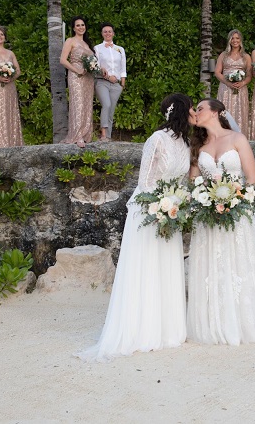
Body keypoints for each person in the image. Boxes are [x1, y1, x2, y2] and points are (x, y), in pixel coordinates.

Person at [76, 93, 196, 362]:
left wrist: (177, 204)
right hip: (149, 211)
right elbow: (144, 181)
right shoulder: (157, 139)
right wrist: (161, 206)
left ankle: (167, 329)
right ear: (181, 111)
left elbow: (183, 181)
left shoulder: (186, 143)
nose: (194, 112)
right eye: (191, 108)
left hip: (172, 213)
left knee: (166, 268)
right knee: (147, 267)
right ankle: (141, 330)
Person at [187, 98, 255, 345]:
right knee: (211, 265)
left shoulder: (237, 139)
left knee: (237, 263)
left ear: (215, 112)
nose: (196, 112)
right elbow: (193, 180)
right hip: (208, 214)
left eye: (201, 108)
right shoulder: (198, 146)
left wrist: (233, 197)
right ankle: (213, 322)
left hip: (236, 213)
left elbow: (252, 178)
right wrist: (207, 197)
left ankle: (243, 322)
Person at [60, 15, 96, 147]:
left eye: (83, 25)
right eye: (78, 25)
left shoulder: (87, 44)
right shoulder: (70, 41)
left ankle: (86, 134)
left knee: (87, 104)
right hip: (76, 76)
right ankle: (77, 135)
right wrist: (76, 70)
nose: (81, 27)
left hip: (88, 77)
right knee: (78, 104)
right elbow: (63, 60)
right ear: (74, 28)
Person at [214, 29, 252, 137]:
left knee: (241, 115)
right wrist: (228, 83)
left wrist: (243, 83)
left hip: (240, 89)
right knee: (224, 113)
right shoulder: (223, 55)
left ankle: (240, 140)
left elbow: (249, 75)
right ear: (229, 40)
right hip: (225, 89)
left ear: (241, 40)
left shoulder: (246, 57)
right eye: (232, 38)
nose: (235, 40)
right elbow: (217, 72)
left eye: (237, 38)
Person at [93, 23, 126, 142]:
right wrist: (107, 77)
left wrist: (122, 83)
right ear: (102, 34)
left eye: (110, 31)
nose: (107, 33)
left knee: (111, 110)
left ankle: (108, 136)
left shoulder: (120, 49)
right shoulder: (97, 48)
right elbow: (95, 66)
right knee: (106, 104)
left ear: (113, 33)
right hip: (102, 82)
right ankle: (103, 135)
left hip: (116, 85)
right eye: (105, 31)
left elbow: (123, 67)